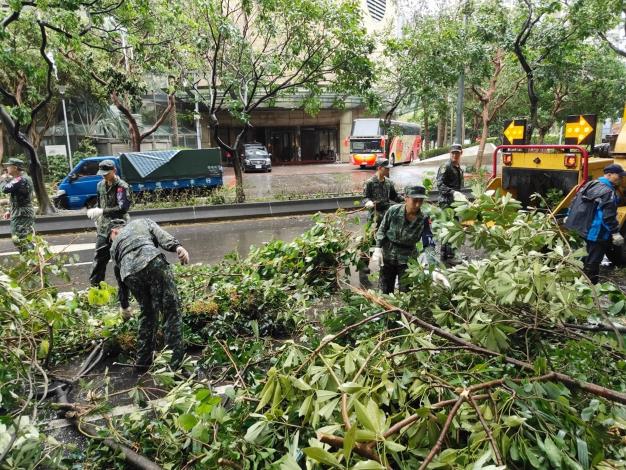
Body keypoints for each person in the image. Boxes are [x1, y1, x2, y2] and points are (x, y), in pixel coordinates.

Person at [108, 218, 190, 371]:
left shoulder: (113, 247)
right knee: (171, 312)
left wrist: (124, 305)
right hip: (152, 261)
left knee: (148, 314)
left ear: (114, 231)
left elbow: (119, 274)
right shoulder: (142, 222)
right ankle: (176, 367)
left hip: (130, 275)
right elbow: (161, 235)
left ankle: (142, 363)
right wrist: (177, 247)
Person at [565, 163, 626, 284]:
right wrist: (615, 233)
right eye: (618, 176)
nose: (621, 178)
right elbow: (607, 216)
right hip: (596, 233)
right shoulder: (608, 192)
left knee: (580, 257)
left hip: (581, 229)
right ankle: (590, 290)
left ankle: (575, 284)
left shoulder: (590, 183)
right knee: (593, 262)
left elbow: (575, 200)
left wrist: (569, 214)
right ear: (609, 175)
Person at [87, 160, 132, 314]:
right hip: (103, 228)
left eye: (107, 173)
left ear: (114, 170)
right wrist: (97, 214)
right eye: (102, 174)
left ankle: (124, 300)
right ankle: (96, 297)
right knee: (99, 260)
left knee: (120, 263)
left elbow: (123, 208)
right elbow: (100, 203)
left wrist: (102, 212)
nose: (105, 177)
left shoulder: (122, 186)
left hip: (119, 227)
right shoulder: (100, 185)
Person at [372, 185, 429, 294]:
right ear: (406, 198)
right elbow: (382, 230)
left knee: (406, 292)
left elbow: (428, 239)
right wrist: (378, 248)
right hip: (388, 255)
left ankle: (403, 311)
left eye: (421, 201)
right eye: (415, 201)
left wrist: (428, 258)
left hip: (408, 259)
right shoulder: (394, 211)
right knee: (385, 290)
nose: (417, 205)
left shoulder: (424, 218)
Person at [359, 159, 403, 287]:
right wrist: (367, 202)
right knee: (370, 243)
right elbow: (364, 198)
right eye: (386, 168)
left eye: (389, 168)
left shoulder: (389, 183)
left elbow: (394, 196)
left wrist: (405, 199)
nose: (388, 170)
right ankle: (363, 271)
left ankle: (386, 272)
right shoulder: (370, 183)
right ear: (379, 168)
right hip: (375, 218)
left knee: (388, 244)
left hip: (388, 217)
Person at [436, 143, 464, 264]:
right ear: (450, 153)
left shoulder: (458, 167)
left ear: (460, 154)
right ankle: (449, 255)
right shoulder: (446, 166)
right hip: (446, 202)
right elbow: (440, 184)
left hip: (455, 203)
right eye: (453, 153)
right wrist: (452, 192)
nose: (455, 155)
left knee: (450, 228)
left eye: (457, 153)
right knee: (450, 228)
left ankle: (445, 254)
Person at [0, 157, 35, 252]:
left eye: (8, 166)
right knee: (23, 238)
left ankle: (32, 262)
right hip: (20, 211)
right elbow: (16, 197)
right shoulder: (21, 179)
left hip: (22, 213)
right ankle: (32, 261)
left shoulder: (20, 179)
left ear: (15, 168)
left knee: (20, 239)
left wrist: (3, 179)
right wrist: (9, 210)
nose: (6, 168)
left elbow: (5, 189)